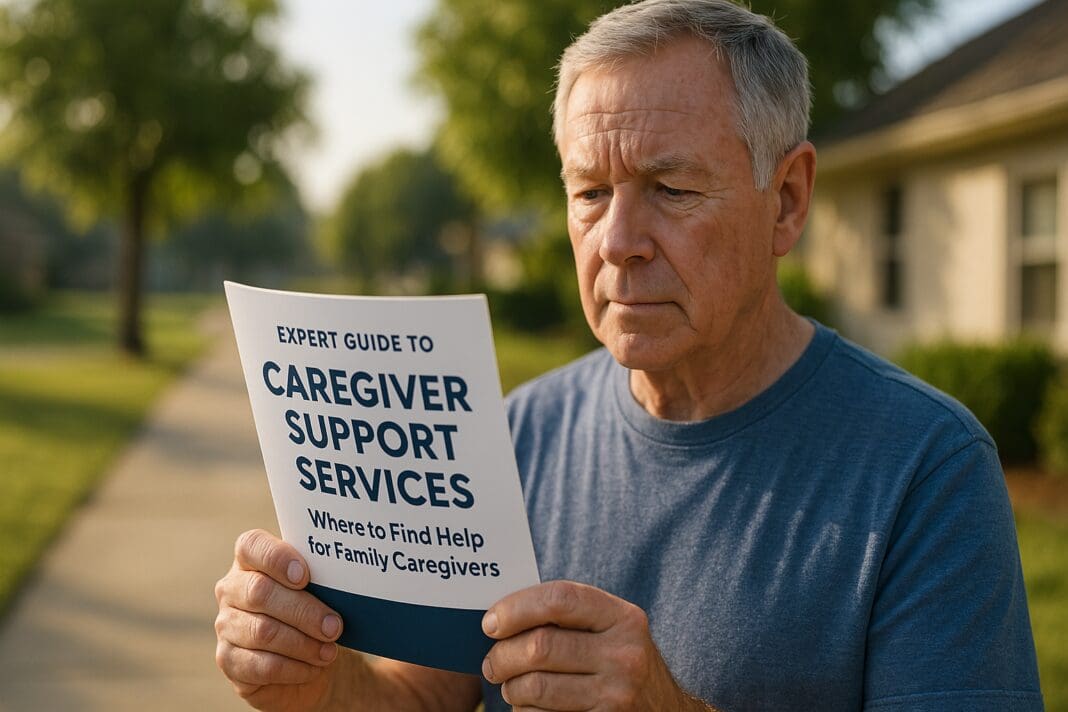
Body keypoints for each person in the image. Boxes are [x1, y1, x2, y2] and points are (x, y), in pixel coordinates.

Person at [214, 1, 1044, 709]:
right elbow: (420, 697)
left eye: (672, 190)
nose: (616, 241)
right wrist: (314, 683)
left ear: (786, 201)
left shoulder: (927, 470)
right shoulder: (511, 435)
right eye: (590, 192)